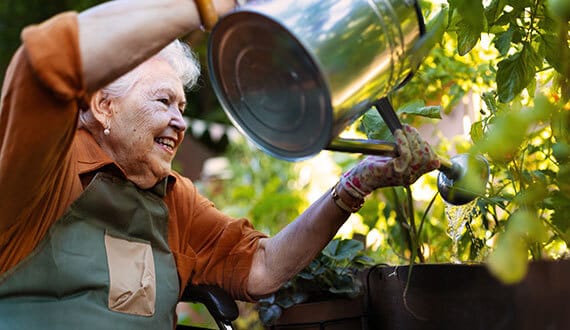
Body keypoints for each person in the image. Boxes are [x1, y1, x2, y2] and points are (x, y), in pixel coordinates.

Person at [0, 0, 440, 328]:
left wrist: (353, 187)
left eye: (183, 107)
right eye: (162, 101)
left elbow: (262, 268)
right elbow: (42, 68)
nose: (180, 122)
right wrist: (205, 6)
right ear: (103, 106)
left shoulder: (173, 198)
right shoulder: (47, 168)